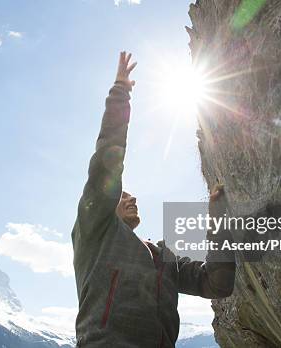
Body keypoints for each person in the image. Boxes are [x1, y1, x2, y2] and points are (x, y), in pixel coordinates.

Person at [72, 51, 235, 347]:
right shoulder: (95, 234)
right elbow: (106, 163)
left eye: (132, 195)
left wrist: (220, 225)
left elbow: (217, 283)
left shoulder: (165, 258)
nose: (131, 197)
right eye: (122, 195)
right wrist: (120, 93)